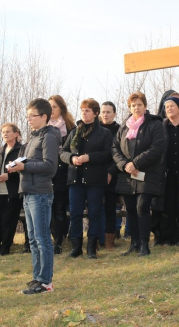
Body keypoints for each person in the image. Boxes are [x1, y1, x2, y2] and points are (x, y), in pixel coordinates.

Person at [8, 98, 60, 295]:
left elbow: (50, 166)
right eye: (27, 115)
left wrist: (25, 166)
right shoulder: (34, 137)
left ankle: (46, 282)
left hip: (40, 193)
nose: (29, 119)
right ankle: (37, 277)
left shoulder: (49, 137)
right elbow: (30, 161)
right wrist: (17, 165)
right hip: (28, 192)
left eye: (33, 115)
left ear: (44, 117)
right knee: (32, 238)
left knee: (42, 238)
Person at [112, 92, 166, 257]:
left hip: (147, 174)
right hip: (127, 175)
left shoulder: (155, 124)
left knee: (142, 207)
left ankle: (144, 244)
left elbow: (157, 148)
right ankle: (134, 243)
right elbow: (115, 148)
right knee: (130, 209)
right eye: (133, 105)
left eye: (139, 104)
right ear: (130, 107)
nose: (136, 108)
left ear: (145, 106)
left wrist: (136, 163)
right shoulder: (124, 127)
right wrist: (125, 165)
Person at [60, 99, 113, 259]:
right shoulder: (74, 131)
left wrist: (88, 157)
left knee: (94, 213)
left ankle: (92, 247)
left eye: (88, 110)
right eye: (82, 110)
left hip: (95, 179)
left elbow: (108, 154)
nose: (84, 112)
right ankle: (76, 247)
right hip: (75, 179)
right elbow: (62, 151)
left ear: (96, 113)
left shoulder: (104, 133)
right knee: (75, 213)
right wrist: (71, 158)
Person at [0, 123, 27, 256]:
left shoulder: (22, 150)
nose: (5, 134)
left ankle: (5, 247)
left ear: (16, 134)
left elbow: (23, 170)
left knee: (8, 220)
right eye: (3, 132)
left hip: (12, 191)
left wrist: (9, 176)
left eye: (8, 131)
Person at [158, 96, 179, 246]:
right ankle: (167, 238)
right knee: (168, 206)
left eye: (172, 106)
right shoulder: (162, 128)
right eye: (166, 107)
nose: (169, 109)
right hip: (167, 173)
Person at [48, 95, 76, 254]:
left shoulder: (71, 128)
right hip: (48, 173)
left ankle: (60, 241)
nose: (51, 110)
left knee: (60, 207)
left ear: (61, 109)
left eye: (54, 107)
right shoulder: (43, 128)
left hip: (65, 173)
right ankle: (56, 237)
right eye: (49, 107)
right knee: (51, 209)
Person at [99, 101, 121, 249]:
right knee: (95, 207)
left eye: (108, 112)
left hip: (114, 173)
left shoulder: (120, 130)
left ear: (114, 114)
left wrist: (111, 172)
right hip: (96, 174)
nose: (105, 114)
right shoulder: (95, 129)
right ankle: (98, 238)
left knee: (111, 207)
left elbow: (121, 152)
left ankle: (109, 240)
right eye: (103, 112)